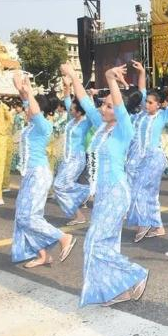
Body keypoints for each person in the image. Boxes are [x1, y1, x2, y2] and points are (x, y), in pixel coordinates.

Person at [62, 63, 149, 307]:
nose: (103, 108)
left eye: (108, 105)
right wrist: (72, 75)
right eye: (104, 104)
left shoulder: (125, 129)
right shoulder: (100, 127)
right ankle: (114, 289)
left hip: (116, 193)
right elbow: (84, 100)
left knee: (94, 242)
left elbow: (121, 108)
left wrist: (111, 79)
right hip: (101, 195)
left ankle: (135, 273)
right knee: (106, 243)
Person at [10, 72, 76, 268]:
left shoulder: (43, 126)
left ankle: (63, 237)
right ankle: (42, 255)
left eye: (30, 107)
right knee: (23, 216)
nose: (26, 110)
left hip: (39, 175)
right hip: (30, 175)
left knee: (29, 217)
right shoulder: (30, 125)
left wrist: (29, 91)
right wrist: (20, 88)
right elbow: (27, 105)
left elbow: (35, 110)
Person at [126, 62, 168, 242]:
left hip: (154, 158)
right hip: (138, 159)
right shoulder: (139, 116)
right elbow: (142, 91)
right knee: (148, 193)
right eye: (146, 102)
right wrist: (142, 71)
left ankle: (144, 223)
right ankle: (158, 226)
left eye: (150, 102)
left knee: (141, 190)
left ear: (158, 105)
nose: (147, 104)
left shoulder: (163, 116)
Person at [52, 77, 91, 226]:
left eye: (73, 109)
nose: (70, 110)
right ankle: (79, 215)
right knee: (60, 188)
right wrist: (67, 85)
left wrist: (86, 94)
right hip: (67, 158)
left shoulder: (86, 122)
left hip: (77, 158)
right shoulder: (71, 119)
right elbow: (67, 98)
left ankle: (89, 190)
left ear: (79, 111)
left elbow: (89, 108)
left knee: (60, 185)